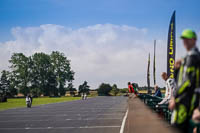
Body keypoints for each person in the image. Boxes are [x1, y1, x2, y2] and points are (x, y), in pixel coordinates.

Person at [169, 29, 200, 133]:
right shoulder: (187, 58)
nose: (185, 41)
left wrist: (174, 97)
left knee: (176, 128)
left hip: (185, 102)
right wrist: (177, 70)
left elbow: (188, 82)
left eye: (188, 39)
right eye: (183, 39)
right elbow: (180, 80)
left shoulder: (193, 57)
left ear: (194, 40)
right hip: (185, 101)